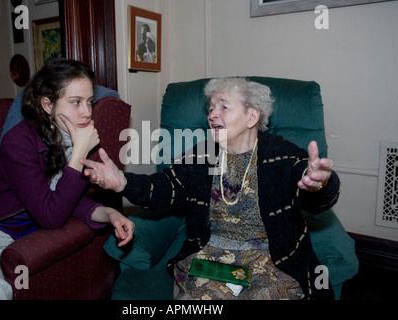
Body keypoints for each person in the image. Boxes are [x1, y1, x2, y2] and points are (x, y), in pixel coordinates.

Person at [80, 77, 340, 300]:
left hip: (270, 259)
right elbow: (163, 188)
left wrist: (321, 184)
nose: (212, 114)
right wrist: (122, 182)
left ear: (252, 116)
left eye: (224, 107)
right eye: (211, 107)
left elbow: (314, 193)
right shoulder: (201, 156)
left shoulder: (280, 155)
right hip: (211, 258)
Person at [0, 59, 134, 300]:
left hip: (6, 237)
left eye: (89, 102)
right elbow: (51, 216)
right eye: (75, 102)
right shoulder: (19, 143)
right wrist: (79, 153)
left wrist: (108, 213)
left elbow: (64, 198)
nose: (87, 112)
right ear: (47, 105)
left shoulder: (66, 139)